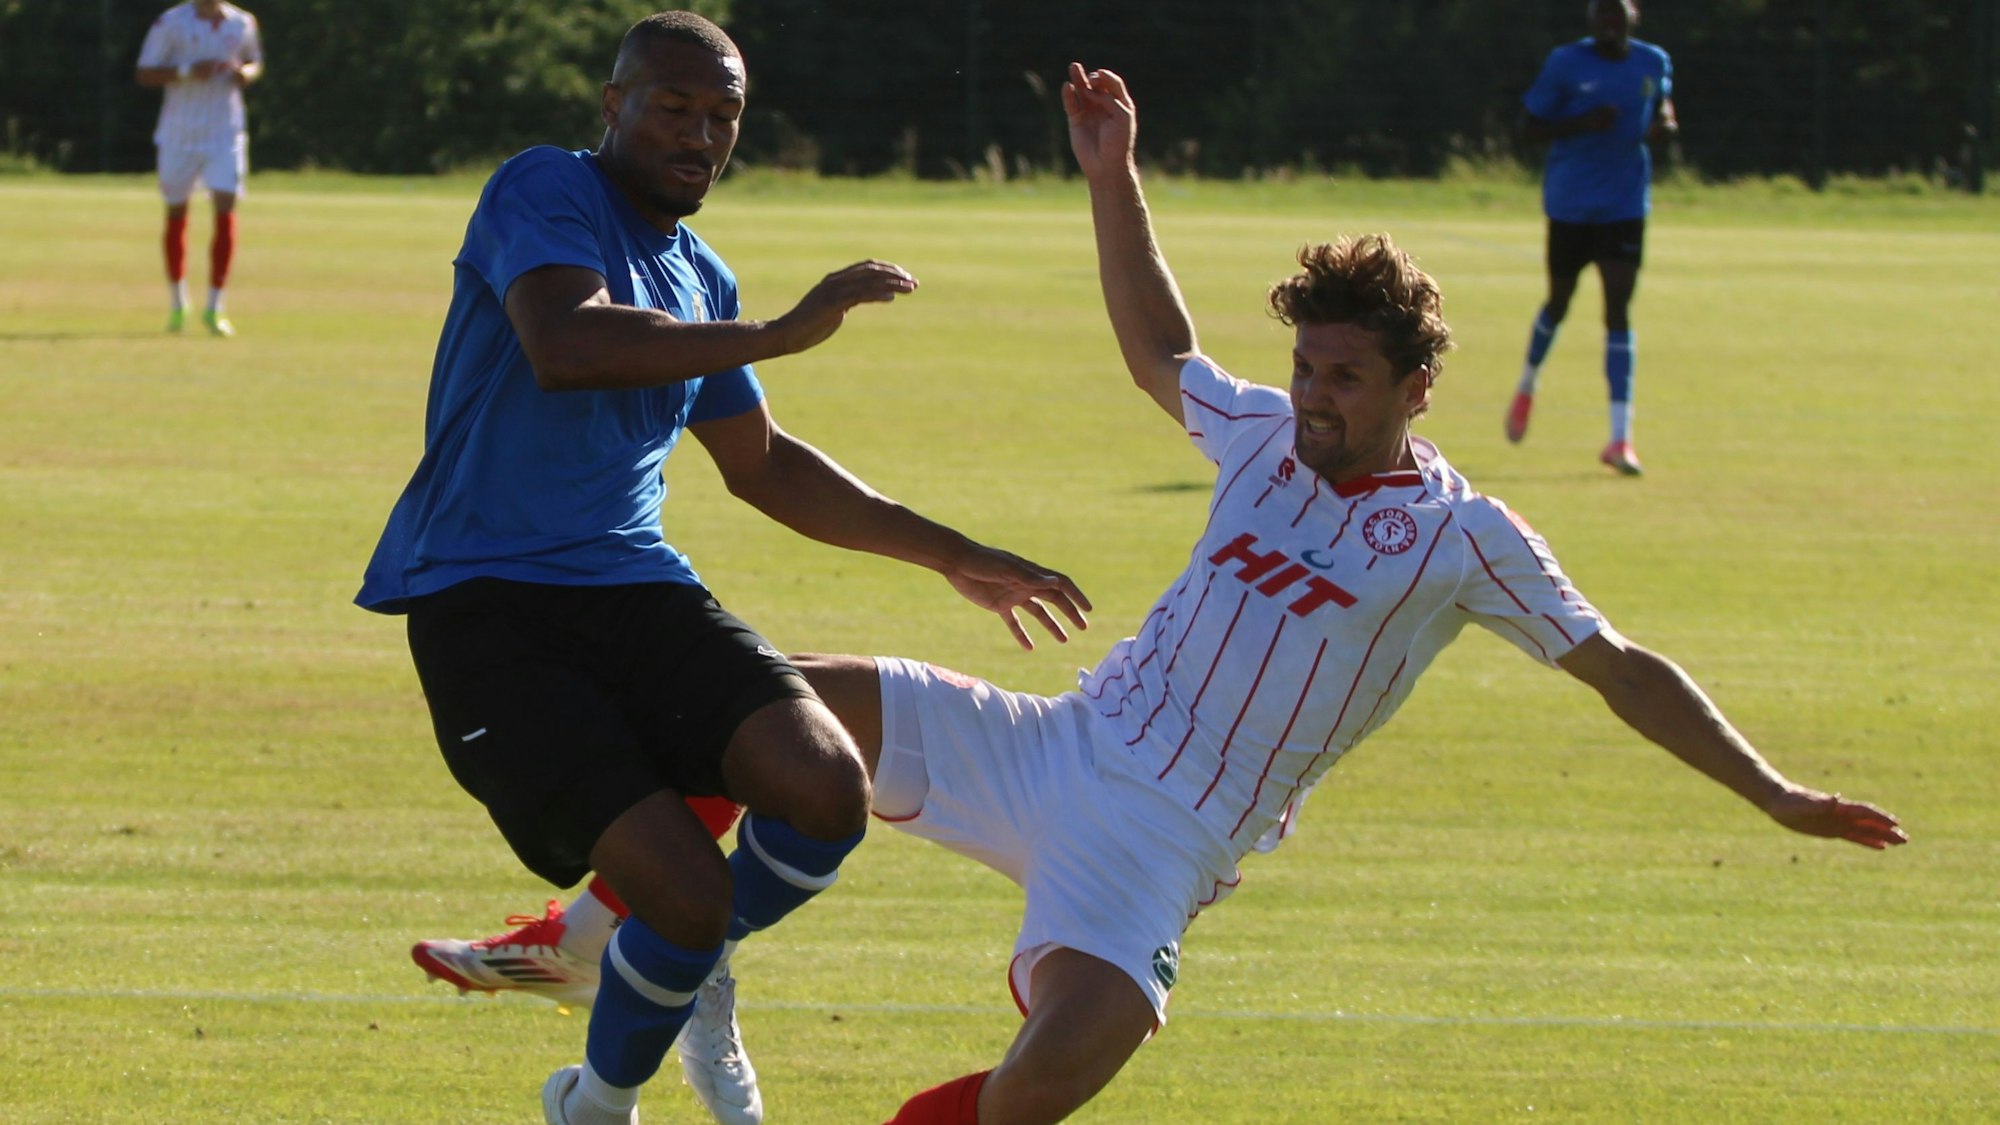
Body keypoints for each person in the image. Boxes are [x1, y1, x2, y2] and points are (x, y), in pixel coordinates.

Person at [418, 61, 1906, 1125]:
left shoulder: (1469, 537)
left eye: (1343, 379)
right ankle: (618, 942)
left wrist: (1772, 793)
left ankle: (684, 961)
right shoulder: (1259, 431)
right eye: (1307, 368)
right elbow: (1159, 349)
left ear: (1412, 387)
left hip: (1167, 843)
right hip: (1053, 740)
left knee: (1046, 1086)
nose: (1312, 399)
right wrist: (1111, 173)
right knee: (776, 715)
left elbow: (1622, 664)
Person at [355, 13, 1088, 1125]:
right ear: (613, 106)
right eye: (674, 107)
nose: (700, 134)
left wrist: (952, 555)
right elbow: (570, 343)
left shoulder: (700, 270)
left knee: (822, 786)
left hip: (636, 589)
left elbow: (764, 467)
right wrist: (778, 334)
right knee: (687, 896)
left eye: (723, 116)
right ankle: (601, 1097)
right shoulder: (544, 189)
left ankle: (654, 967)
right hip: (486, 607)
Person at [1506, 0, 1677, 474]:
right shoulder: (1566, 63)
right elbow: (1528, 127)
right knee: (1559, 302)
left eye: (1617, 16)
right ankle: (1527, 384)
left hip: (1625, 206)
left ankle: (1620, 440)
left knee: (1618, 310)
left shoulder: (1653, 60)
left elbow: (1660, 98)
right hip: (1571, 206)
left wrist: (1664, 121)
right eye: (1601, 15)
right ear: (1590, 21)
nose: (1609, 24)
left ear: (1632, 18)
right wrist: (1581, 123)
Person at [134, 0, 263, 337]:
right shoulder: (171, 23)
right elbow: (145, 72)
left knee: (226, 204)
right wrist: (187, 70)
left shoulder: (242, 22)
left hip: (225, 133)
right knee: (177, 211)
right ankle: (179, 304)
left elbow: (254, 61)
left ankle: (215, 307)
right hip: (179, 133)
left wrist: (245, 73)